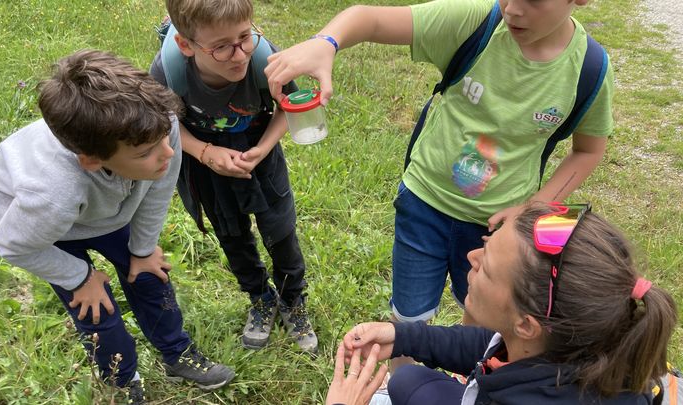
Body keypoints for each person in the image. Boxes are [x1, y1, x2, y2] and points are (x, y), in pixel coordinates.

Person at [265, 0, 615, 351]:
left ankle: (469, 382)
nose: (512, 9)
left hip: (498, 231)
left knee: (483, 321)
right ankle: (400, 385)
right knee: (408, 317)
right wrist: (326, 41)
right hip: (424, 204)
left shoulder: (590, 69)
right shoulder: (475, 22)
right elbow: (369, 19)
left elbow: (587, 150)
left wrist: (533, 208)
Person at [0, 50, 236, 404]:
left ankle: (177, 353)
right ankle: (121, 378)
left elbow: (158, 187)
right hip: (46, 232)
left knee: (151, 275)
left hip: (103, 208)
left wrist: (143, 250)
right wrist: (79, 277)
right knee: (96, 308)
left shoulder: (158, 124)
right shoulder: (53, 193)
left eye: (166, 139)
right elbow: (15, 245)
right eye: (147, 152)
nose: (168, 152)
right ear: (92, 160)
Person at [324, 202, 678, 405]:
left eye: (487, 268)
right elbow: (492, 343)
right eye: (486, 244)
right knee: (406, 382)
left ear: (527, 324)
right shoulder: (585, 338)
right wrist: (403, 337)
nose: (471, 257)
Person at [149, 0, 318, 353]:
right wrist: (206, 154)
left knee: (280, 229)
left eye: (245, 37)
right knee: (230, 232)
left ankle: (292, 301)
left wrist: (264, 147)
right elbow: (165, 124)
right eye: (221, 47)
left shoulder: (266, 59)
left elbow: (291, 106)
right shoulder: (167, 71)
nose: (240, 55)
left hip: (259, 149)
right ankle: (260, 298)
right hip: (205, 162)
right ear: (186, 45)